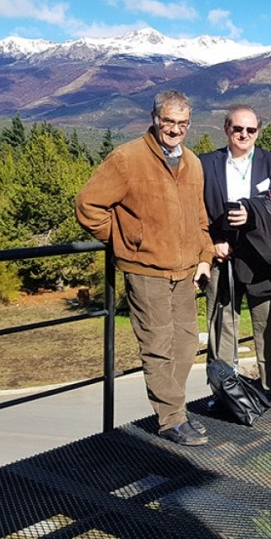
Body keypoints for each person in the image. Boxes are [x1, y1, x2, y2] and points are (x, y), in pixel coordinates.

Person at [75, 90, 214, 447]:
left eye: (182, 123)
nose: (175, 129)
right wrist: (125, 240)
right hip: (145, 269)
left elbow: (200, 217)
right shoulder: (127, 159)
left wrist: (204, 256)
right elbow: (88, 205)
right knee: (157, 345)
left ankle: (174, 409)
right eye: (169, 122)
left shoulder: (193, 163)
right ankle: (172, 420)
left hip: (185, 271)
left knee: (185, 345)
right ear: (155, 119)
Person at [199, 104, 271, 410]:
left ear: (258, 132)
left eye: (250, 129)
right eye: (237, 128)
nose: (243, 134)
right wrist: (211, 243)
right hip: (221, 256)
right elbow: (195, 212)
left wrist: (253, 214)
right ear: (226, 129)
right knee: (222, 325)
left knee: (268, 325)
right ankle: (224, 391)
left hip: (261, 258)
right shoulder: (206, 164)